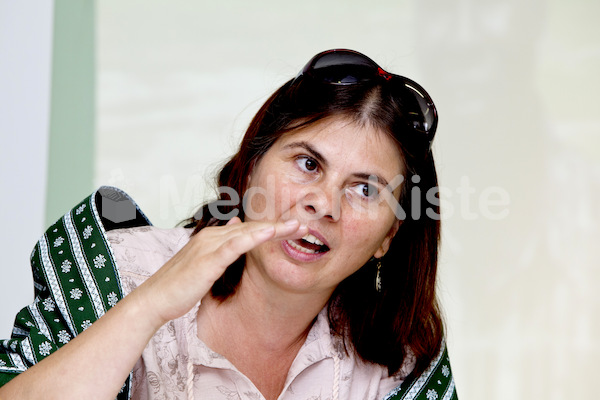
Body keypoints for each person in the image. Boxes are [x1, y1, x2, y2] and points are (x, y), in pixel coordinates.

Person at [0, 49, 457, 399]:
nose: (324, 204)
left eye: (365, 190)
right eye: (307, 164)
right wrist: (148, 306)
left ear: (388, 236)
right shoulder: (114, 271)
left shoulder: (399, 365)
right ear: (252, 166)